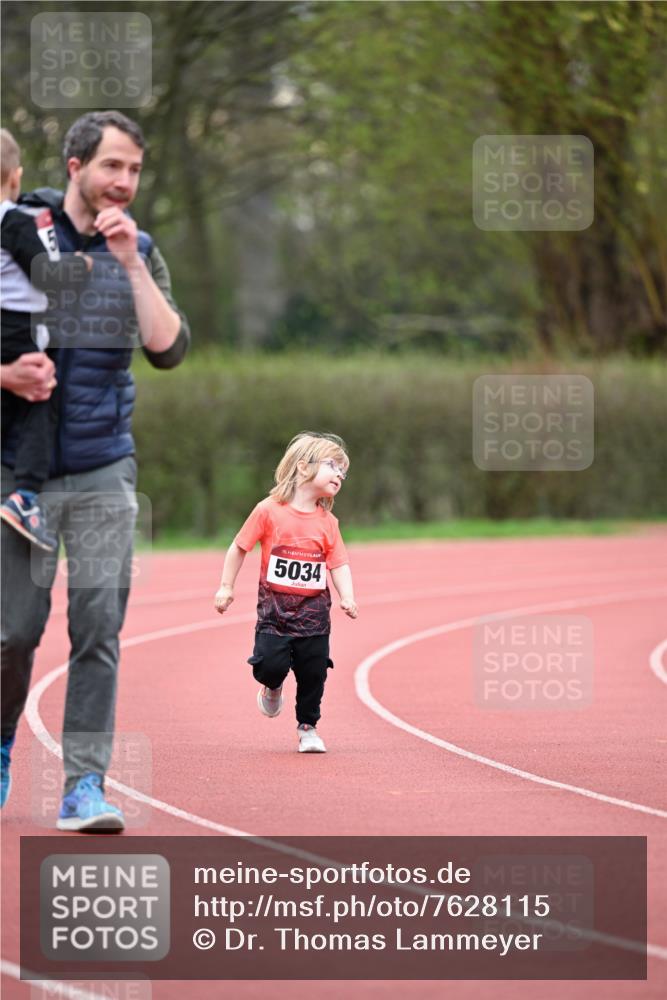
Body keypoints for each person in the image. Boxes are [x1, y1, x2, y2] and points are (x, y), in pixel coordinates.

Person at [0, 111, 190, 827]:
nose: (124, 182)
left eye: (135, 170)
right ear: (75, 167)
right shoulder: (17, 231)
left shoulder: (137, 248)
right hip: (18, 470)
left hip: (105, 467)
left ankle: (84, 786)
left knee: (98, 627)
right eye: (112, 166)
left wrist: (132, 264)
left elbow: (169, 348)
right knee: (12, 633)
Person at [214, 432, 358, 753]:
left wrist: (347, 595)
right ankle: (273, 685)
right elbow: (239, 547)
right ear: (304, 467)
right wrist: (226, 586)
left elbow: (339, 563)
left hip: (314, 619)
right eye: (333, 466)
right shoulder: (268, 511)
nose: (340, 475)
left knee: (314, 673)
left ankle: (308, 727)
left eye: (343, 471)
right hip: (274, 616)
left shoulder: (328, 522)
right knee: (268, 665)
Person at [1, 128, 94, 552]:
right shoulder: (15, 221)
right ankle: (25, 496)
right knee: (42, 399)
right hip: (18, 330)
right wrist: (79, 267)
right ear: (15, 178)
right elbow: (46, 275)